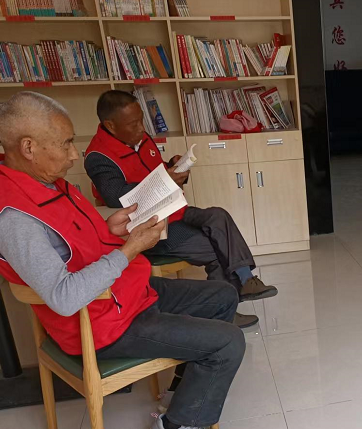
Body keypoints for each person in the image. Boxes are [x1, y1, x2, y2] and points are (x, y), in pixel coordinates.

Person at [0, 91, 245, 429]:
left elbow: (72, 246)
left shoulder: (45, 184)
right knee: (229, 341)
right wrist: (130, 249)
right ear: (29, 147)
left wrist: (111, 230)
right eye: (66, 143)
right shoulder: (15, 219)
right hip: (100, 325)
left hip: (124, 296)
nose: (75, 154)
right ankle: (176, 426)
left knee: (223, 295)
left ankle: (182, 393)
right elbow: (64, 297)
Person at [85, 90, 277, 305]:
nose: (141, 128)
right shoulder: (98, 157)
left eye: (141, 120)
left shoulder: (141, 138)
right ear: (111, 125)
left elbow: (153, 171)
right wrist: (165, 179)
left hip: (176, 209)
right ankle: (224, 307)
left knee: (218, 216)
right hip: (152, 226)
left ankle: (246, 281)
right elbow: (116, 197)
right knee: (215, 247)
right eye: (133, 124)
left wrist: (173, 167)